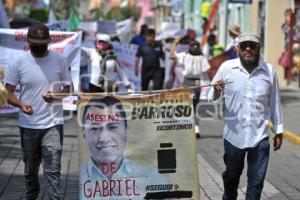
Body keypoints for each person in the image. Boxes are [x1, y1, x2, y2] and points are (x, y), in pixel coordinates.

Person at [207, 32, 284, 200]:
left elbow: (274, 102)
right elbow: (210, 99)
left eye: (252, 45)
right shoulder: (227, 68)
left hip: (260, 136)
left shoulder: (269, 71)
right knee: (232, 178)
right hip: (233, 136)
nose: (248, 49)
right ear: (238, 49)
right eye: (244, 46)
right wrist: (216, 90)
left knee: (256, 183)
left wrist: (279, 130)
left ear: (259, 48)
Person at [5, 23, 72, 199]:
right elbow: (7, 93)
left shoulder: (60, 60)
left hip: (53, 124)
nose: (40, 46)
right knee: (30, 171)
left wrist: (55, 96)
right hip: (28, 125)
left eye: (43, 44)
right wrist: (20, 105)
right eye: (36, 43)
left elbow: (68, 90)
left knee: (53, 171)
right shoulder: (19, 63)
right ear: (28, 41)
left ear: (49, 42)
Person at [79, 96, 167, 199]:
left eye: (112, 127)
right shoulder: (81, 178)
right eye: (94, 128)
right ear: (83, 133)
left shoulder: (153, 177)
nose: (103, 138)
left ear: (126, 130)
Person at [170, 38, 211, 138]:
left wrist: (175, 44)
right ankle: (196, 129)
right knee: (195, 106)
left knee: (186, 106)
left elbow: (171, 56)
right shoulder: (202, 58)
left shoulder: (185, 56)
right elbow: (208, 69)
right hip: (197, 82)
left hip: (187, 81)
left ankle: (186, 128)